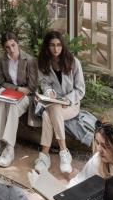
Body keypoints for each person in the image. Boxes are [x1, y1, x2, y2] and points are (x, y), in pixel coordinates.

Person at [34, 31, 85, 175]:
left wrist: (67, 99)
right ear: (47, 47)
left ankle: (45, 156)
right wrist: (49, 92)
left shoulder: (74, 62)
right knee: (50, 111)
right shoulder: (44, 63)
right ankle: (63, 153)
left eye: (58, 45)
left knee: (48, 114)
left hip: (71, 105)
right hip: (54, 103)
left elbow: (80, 90)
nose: (56, 49)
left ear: (62, 46)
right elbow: (44, 83)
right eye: (52, 45)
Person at [0, 32, 37, 168]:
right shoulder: (1, 59)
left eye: (13, 45)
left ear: (18, 43)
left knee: (13, 106)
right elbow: (0, 81)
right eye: (7, 47)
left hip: (26, 96)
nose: (11, 49)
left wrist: (22, 91)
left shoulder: (29, 60)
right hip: (9, 93)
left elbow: (32, 87)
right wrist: (16, 89)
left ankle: (9, 148)